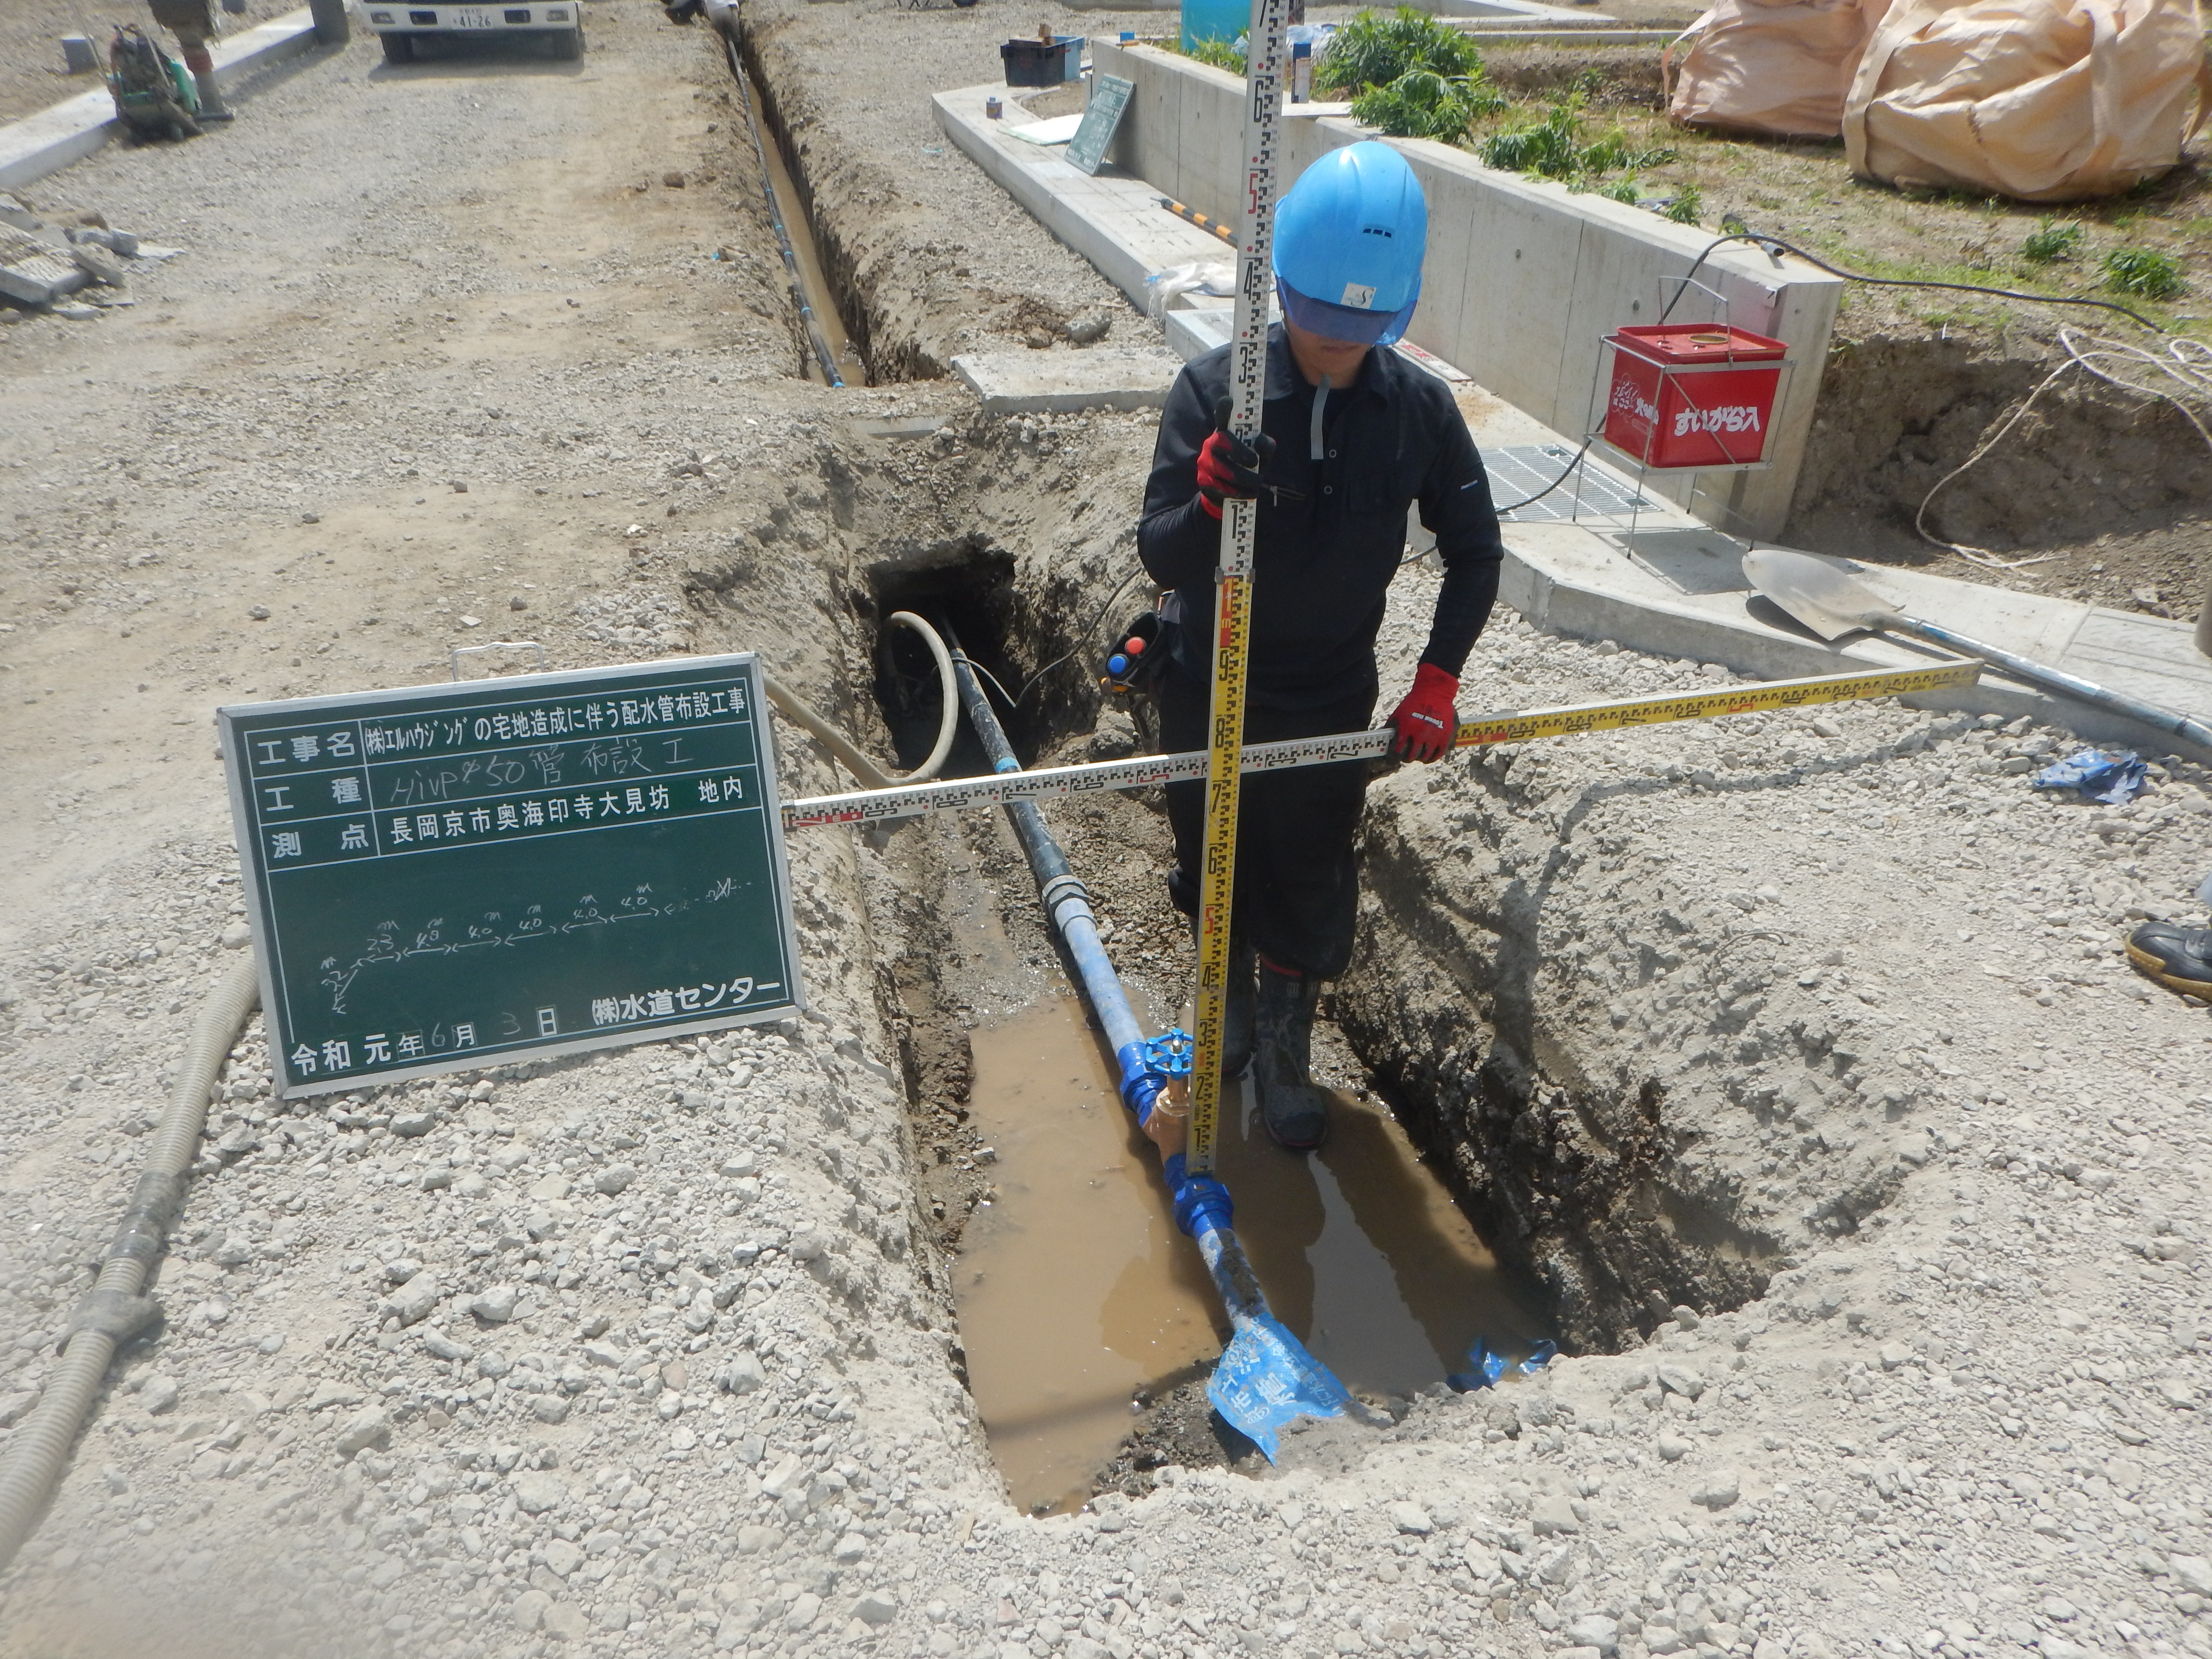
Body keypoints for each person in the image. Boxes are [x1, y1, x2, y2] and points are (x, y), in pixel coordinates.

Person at [1137, 141, 1505, 1153]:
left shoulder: (1420, 411)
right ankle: (1232, 1021)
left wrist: (1438, 679)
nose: (1334, 345)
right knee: (1214, 866)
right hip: (1208, 688)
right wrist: (1210, 498)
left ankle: (1289, 1053)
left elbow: (1476, 552)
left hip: (1329, 693)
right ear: (1283, 283)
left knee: (1307, 872)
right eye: (1316, 323)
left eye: (1358, 332)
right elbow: (1163, 556)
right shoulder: (1220, 395)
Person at [146, 0, 234, 122]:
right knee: (194, 43)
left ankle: (211, 104)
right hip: (191, 10)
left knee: (190, 43)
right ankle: (213, 105)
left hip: (168, 12)